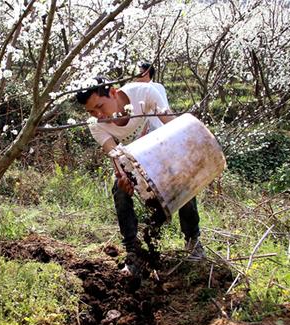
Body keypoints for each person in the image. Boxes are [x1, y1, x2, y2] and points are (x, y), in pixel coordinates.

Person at [76, 76, 204, 276]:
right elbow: (114, 154)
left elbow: (172, 125)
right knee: (119, 190)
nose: (99, 115)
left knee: (182, 179)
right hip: (131, 162)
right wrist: (122, 176)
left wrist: (188, 156)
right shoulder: (96, 124)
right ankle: (133, 251)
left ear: (113, 92)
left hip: (162, 151)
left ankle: (193, 240)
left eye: (100, 106)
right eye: (92, 111)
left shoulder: (143, 93)